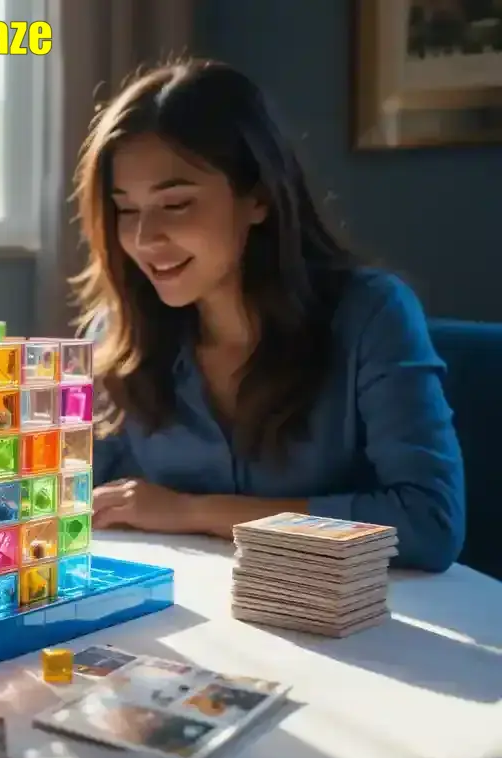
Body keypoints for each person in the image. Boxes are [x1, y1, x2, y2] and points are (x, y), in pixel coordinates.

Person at [71, 60, 465, 573]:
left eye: (176, 204)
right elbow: (69, 499)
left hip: (359, 624)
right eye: (126, 209)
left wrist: (193, 512)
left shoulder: (372, 315)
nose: (145, 239)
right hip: (189, 625)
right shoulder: (117, 336)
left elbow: (428, 523)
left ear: (257, 197)